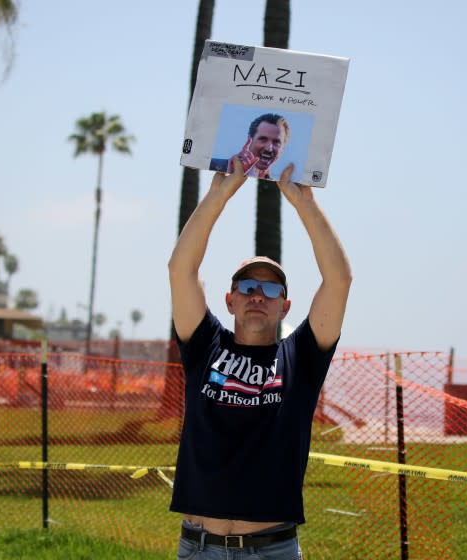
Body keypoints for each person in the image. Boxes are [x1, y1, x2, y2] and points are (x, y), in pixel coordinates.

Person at [168, 157, 351, 559]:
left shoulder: (300, 356)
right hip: (199, 547)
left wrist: (304, 202)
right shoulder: (205, 345)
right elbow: (181, 269)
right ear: (230, 300)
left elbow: (338, 280)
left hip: (272, 550)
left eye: (270, 291)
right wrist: (218, 194)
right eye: (248, 286)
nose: (257, 296)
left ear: (284, 307)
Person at [209, 113, 290, 180]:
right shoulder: (211, 165)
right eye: (263, 139)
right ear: (249, 139)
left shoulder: (279, 185)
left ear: (283, 148)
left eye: (276, 142)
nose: (269, 148)